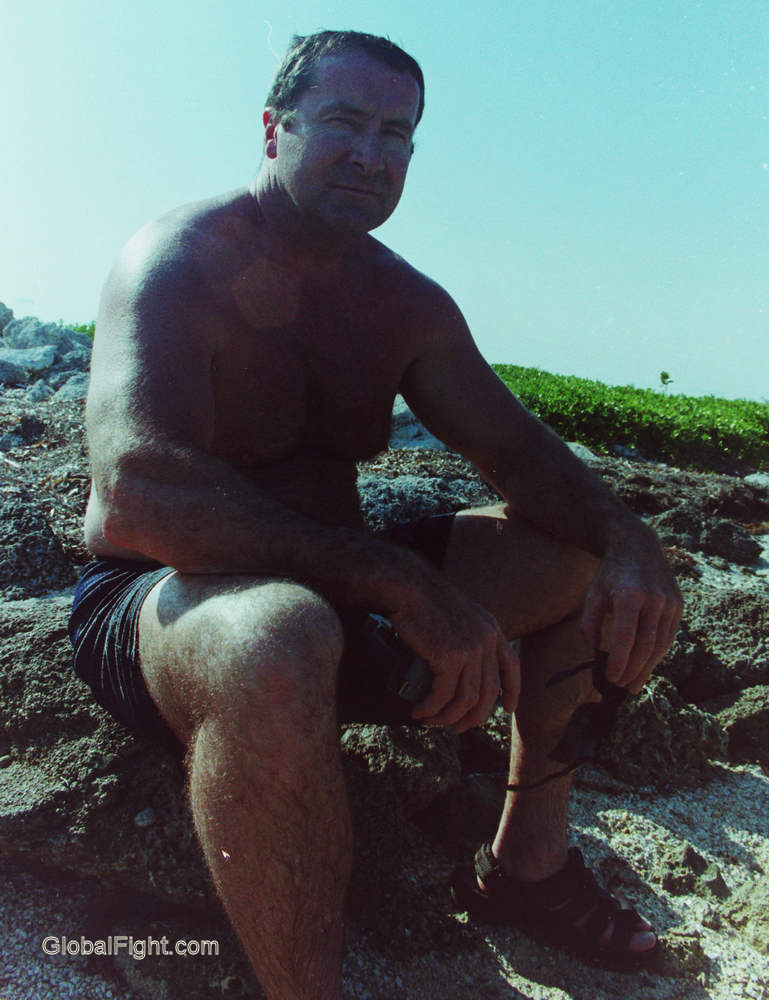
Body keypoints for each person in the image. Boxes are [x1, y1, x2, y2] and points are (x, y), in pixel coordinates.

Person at [69, 29, 682, 1000]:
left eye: (399, 133)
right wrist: (399, 581)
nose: (372, 152)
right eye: (345, 121)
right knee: (280, 634)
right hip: (163, 607)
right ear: (273, 129)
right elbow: (139, 493)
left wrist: (629, 540)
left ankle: (527, 869)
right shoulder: (178, 259)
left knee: (575, 560)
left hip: (335, 600)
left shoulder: (403, 305)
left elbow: (520, 455)